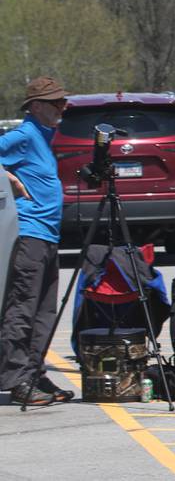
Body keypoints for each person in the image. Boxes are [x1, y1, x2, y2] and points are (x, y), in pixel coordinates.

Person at [0, 76, 74, 405]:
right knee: (23, 309)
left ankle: (33, 374)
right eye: (57, 102)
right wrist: (9, 177)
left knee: (45, 311)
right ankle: (15, 379)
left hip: (48, 236)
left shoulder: (45, 135)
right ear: (37, 106)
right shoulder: (25, 135)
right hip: (30, 236)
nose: (64, 107)